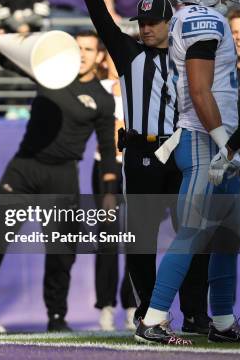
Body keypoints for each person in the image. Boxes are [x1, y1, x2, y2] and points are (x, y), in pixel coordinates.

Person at [0, 30, 119, 332]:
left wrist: (108, 190)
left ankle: (57, 316)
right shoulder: (51, 71)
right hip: (25, 167)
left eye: (89, 49)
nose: (82, 54)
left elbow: (108, 149)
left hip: (63, 175)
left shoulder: (102, 101)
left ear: (101, 57)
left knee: (62, 249)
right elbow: (6, 60)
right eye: (78, 47)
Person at [79, 0, 211, 334]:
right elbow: (99, 16)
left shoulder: (188, 55)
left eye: (155, 22)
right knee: (141, 240)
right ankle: (148, 313)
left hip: (184, 150)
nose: (147, 28)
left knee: (193, 236)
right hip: (141, 153)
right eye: (142, 22)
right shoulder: (128, 52)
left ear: (171, 22)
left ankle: (196, 315)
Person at [133, 0, 240, 344]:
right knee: (193, 229)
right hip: (204, 140)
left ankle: (224, 323)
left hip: (217, 140)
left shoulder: (203, 18)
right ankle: (153, 319)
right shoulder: (203, 18)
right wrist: (222, 145)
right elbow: (199, 89)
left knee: (229, 233)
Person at [94, 53, 137, 331]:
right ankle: (106, 307)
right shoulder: (98, 89)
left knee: (137, 238)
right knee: (108, 238)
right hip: (105, 169)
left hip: (135, 168)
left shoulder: (139, 86)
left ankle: (133, 306)